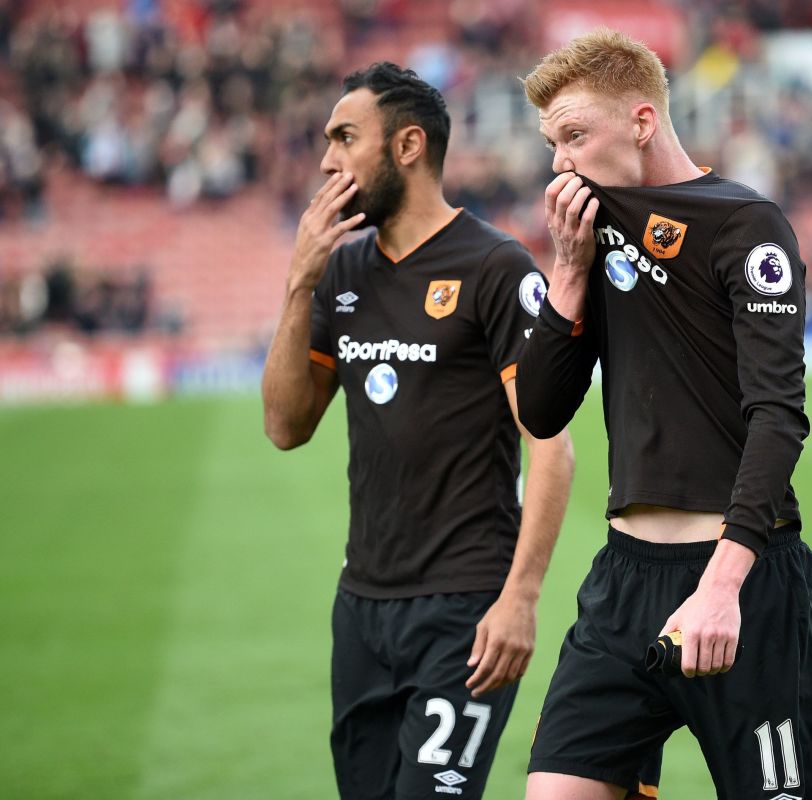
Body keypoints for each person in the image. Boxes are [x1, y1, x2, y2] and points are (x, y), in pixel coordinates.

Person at [516, 30, 812, 800]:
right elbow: (540, 408)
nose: (559, 160)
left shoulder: (745, 224)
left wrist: (724, 583)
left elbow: (779, 417)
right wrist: (567, 273)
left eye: (573, 135)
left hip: (745, 584)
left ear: (640, 121)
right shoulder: (592, 236)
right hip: (623, 584)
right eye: (551, 143)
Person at [260, 63, 574, 800]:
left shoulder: (494, 268)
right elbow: (283, 426)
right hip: (362, 610)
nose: (327, 159)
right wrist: (298, 283)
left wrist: (520, 597)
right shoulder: (341, 275)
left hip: (465, 608)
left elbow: (550, 448)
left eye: (345, 137)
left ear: (407, 146)